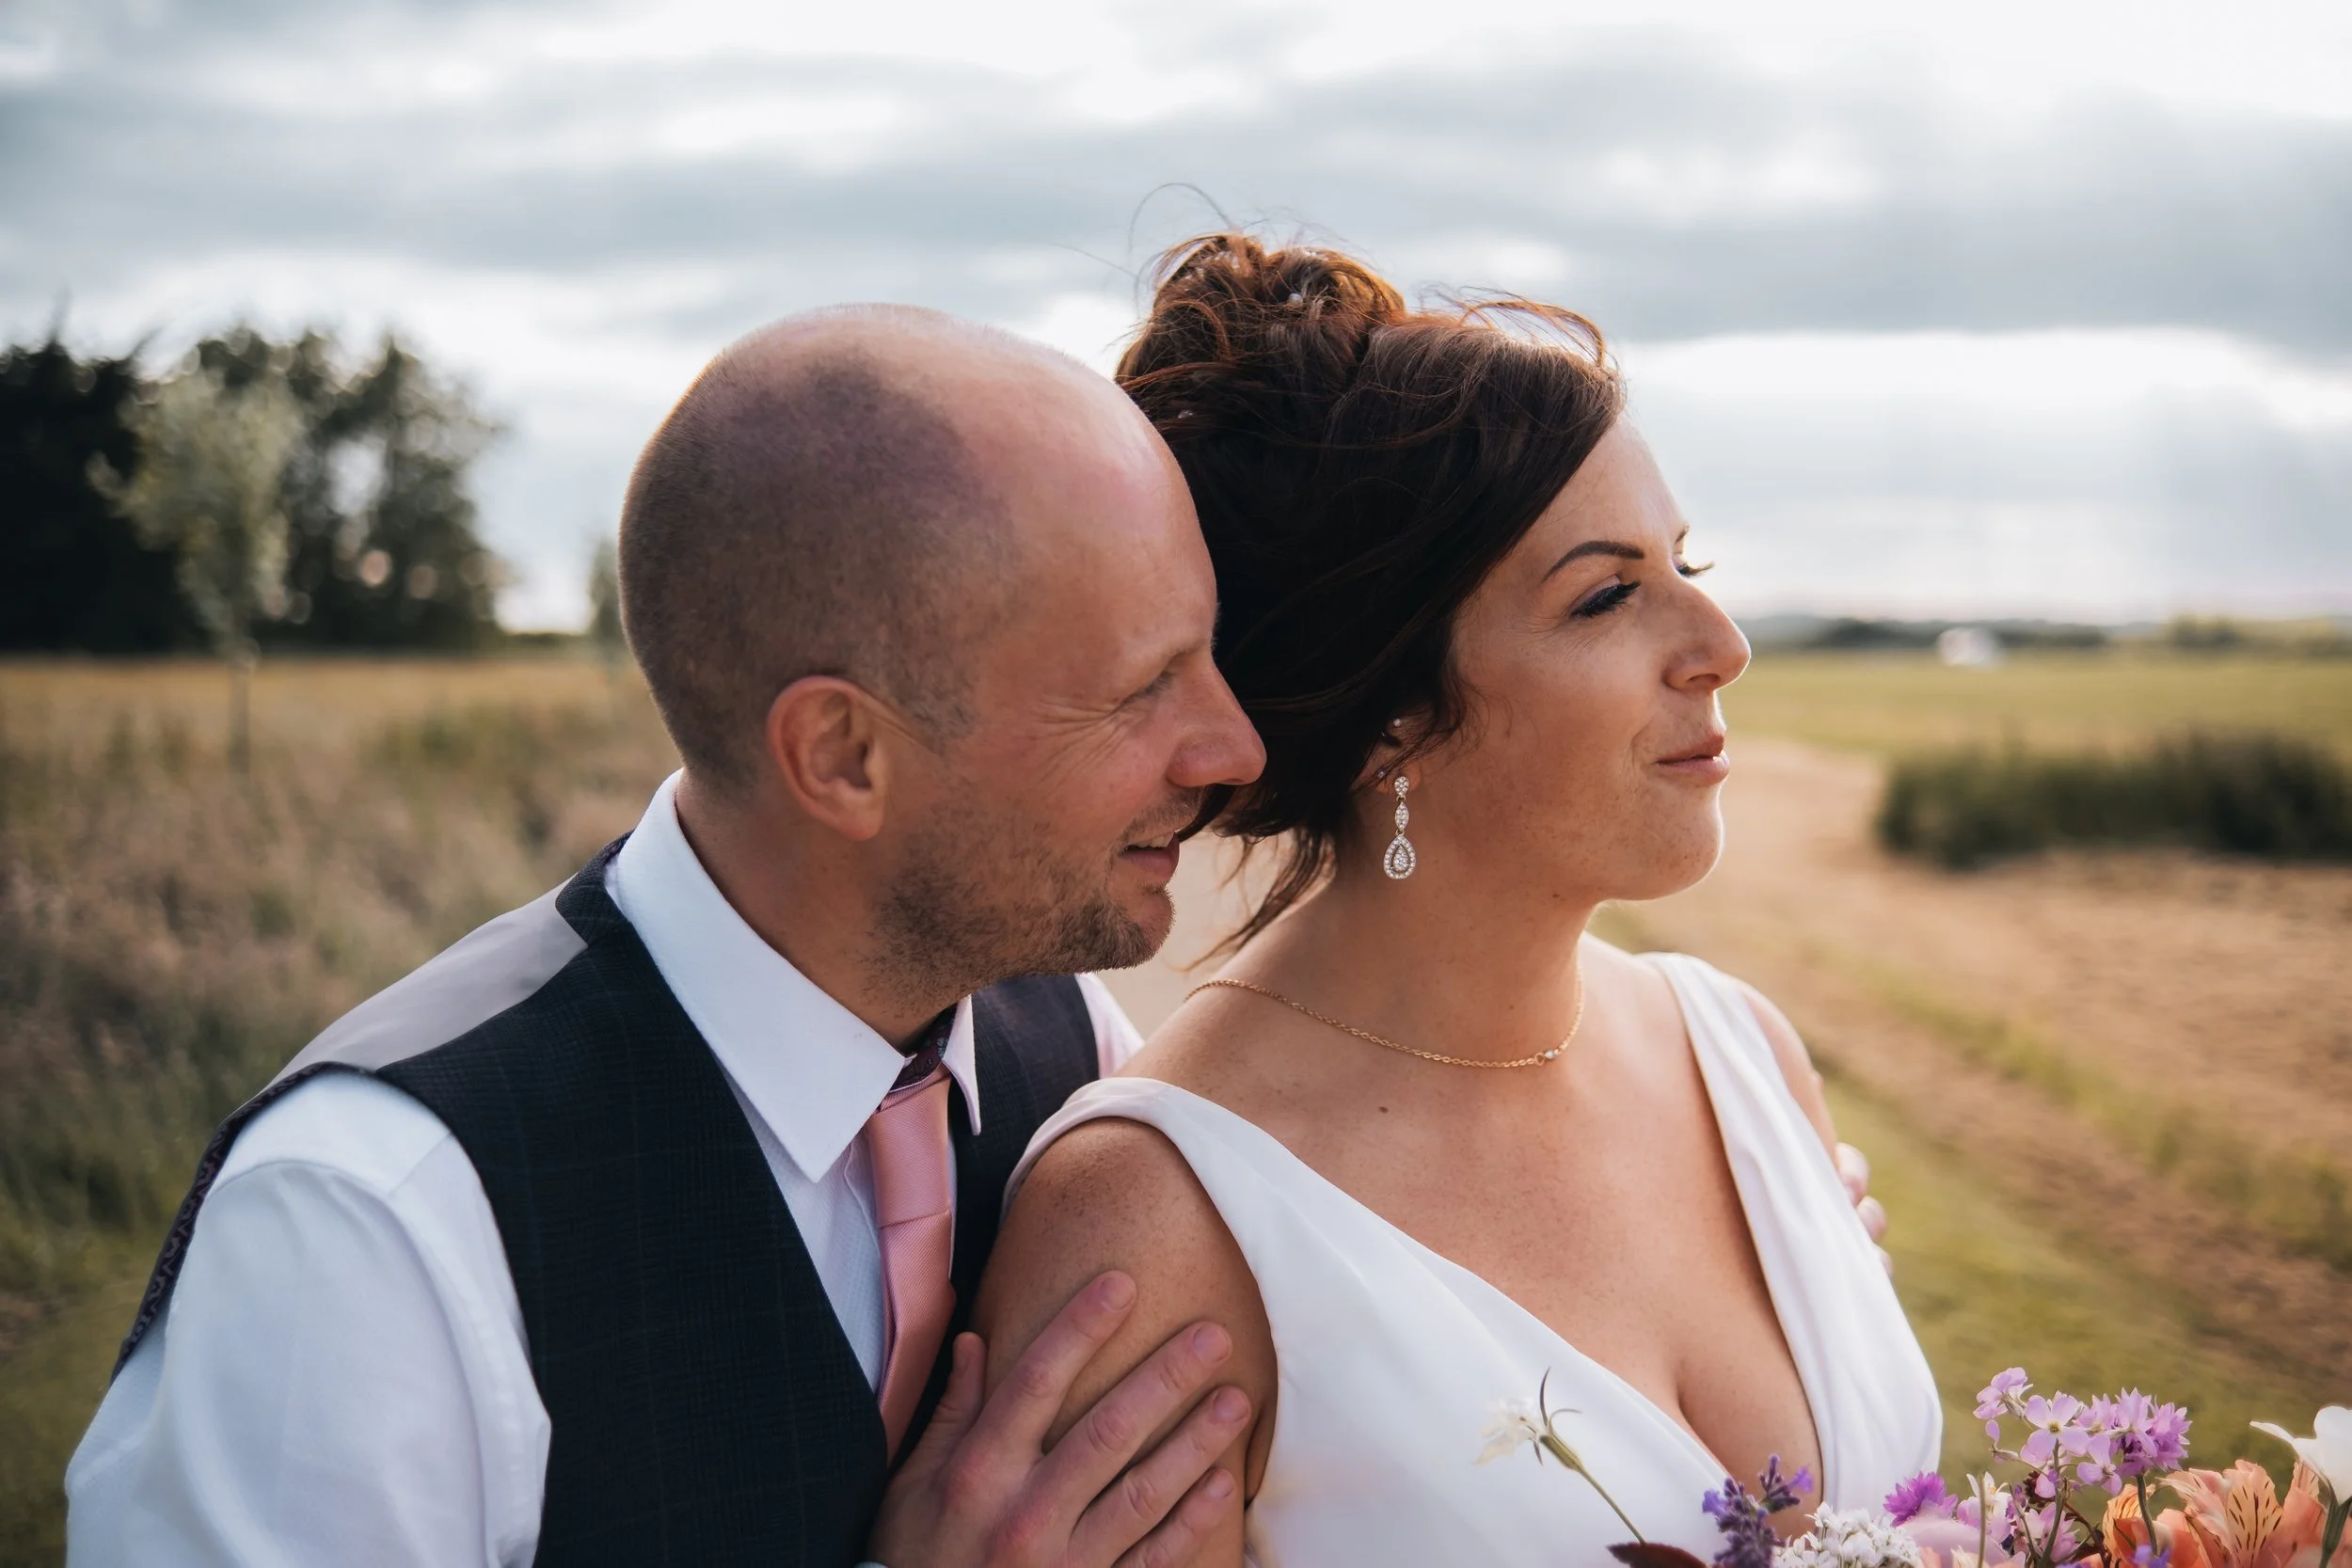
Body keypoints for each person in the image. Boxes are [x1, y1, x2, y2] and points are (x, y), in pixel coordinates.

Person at [64, 306, 1271, 1568]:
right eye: (1144, 687)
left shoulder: (1071, 1043)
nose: (1232, 749)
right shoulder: (370, 1229)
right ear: (843, 756)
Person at [974, 235, 1942, 1566]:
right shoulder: (1158, 1220)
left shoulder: (1746, 1057)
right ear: (1391, 719)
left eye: (1688, 568)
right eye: (1609, 595)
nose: (1721, 649)